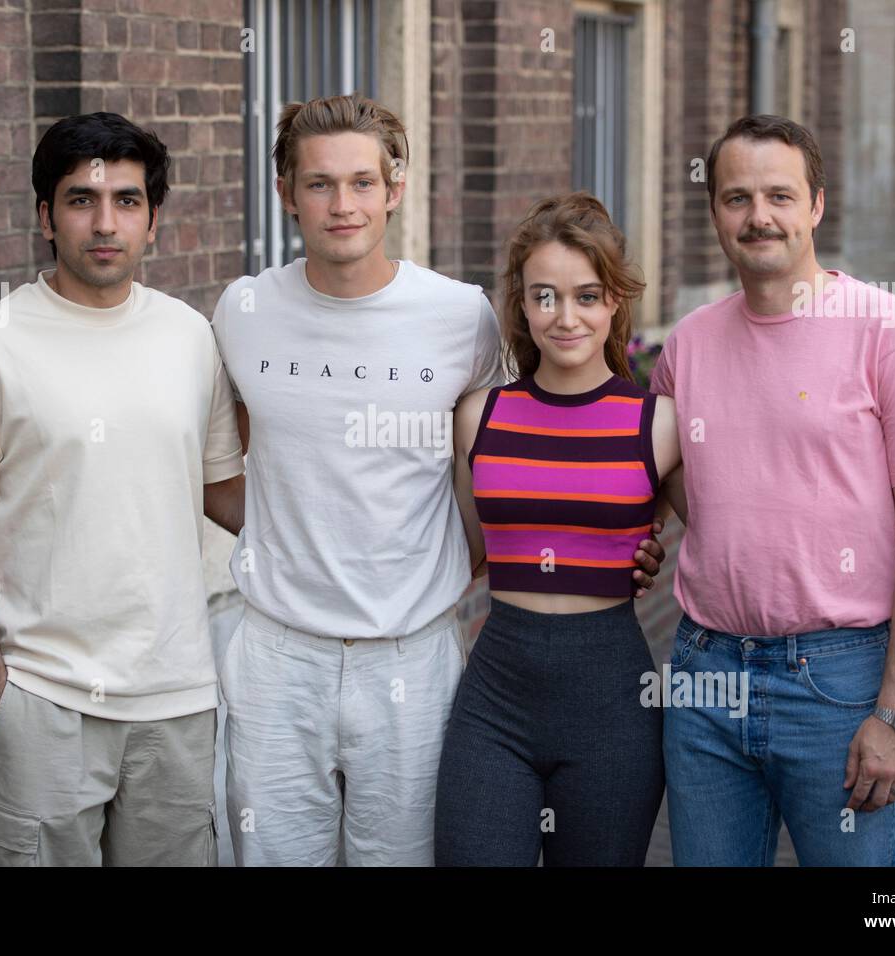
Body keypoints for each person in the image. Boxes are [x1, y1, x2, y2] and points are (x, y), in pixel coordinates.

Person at [205, 94, 668, 866]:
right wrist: (299, 537)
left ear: (395, 188)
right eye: (319, 184)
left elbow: (513, 461)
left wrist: (613, 538)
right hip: (277, 657)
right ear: (286, 193)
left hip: (412, 658)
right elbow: (225, 469)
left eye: (362, 181)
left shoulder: (462, 317)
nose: (342, 204)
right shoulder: (244, 310)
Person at [0, 112, 245, 865]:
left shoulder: (189, 337)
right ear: (45, 217)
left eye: (127, 201)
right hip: (45, 698)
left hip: (178, 700)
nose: (105, 222)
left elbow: (225, 494)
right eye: (80, 199)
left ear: (153, 219)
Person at [651, 114, 895, 866]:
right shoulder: (687, 344)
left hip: (837, 682)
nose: (758, 217)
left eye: (779, 196)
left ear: (817, 205)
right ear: (715, 211)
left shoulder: (889, 330)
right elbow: (665, 468)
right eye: (736, 198)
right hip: (705, 677)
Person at [432, 192, 682, 866]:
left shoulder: (657, 424)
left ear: (613, 303)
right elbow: (469, 555)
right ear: (522, 305)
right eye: (545, 297)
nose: (565, 317)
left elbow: (731, 533)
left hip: (611, 703)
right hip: (495, 702)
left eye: (586, 296)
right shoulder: (478, 416)